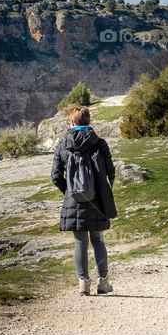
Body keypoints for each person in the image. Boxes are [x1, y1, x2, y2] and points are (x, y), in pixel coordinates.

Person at [51, 105, 116, 296]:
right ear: (89, 121)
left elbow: (55, 176)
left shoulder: (63, 143)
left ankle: (83, 284)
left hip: (74, 200)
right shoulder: (100, 143)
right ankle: (103, 283)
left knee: (80, 243)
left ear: (71, 122)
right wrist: (103, 191)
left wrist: (70, 192)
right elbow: (110, 172)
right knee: (98, 239)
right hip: (97, 200)